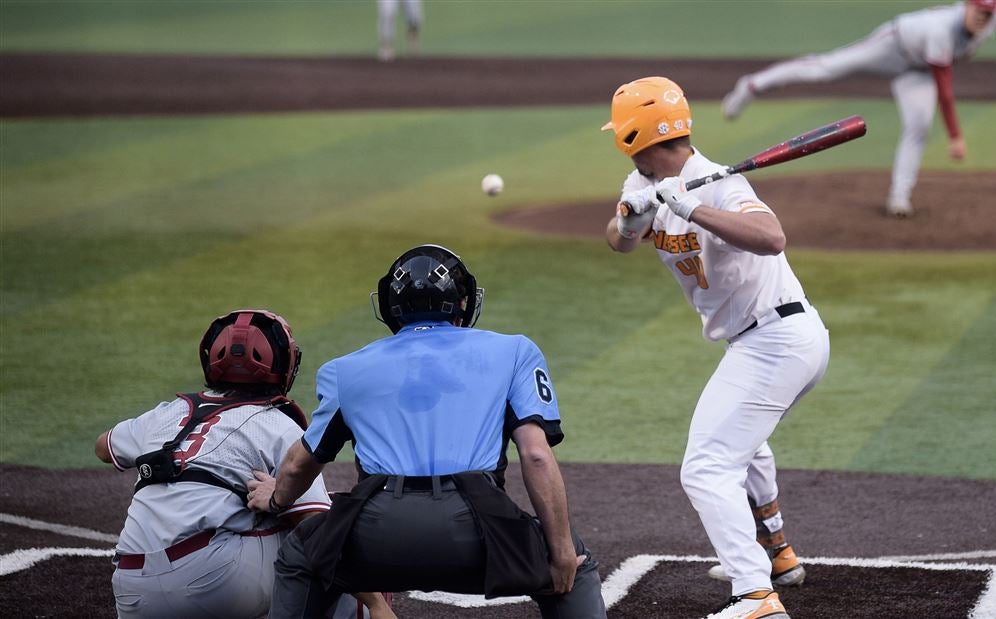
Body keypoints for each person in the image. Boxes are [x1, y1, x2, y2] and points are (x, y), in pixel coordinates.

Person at [252, 245, 607, 619]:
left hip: (376, 539)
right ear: (463, 303)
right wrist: (562, 552)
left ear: (390, 306)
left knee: (301, 556)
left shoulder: (345, 369)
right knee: (574, 564)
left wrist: (275, 499)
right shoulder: (515, 351)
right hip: (479, 536)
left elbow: (299, 465)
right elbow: (535, 455)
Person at [602, 76, 830, 619]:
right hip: (768, 343)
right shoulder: (645, 179)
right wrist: (628, 222)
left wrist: (689, 208)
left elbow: (773, 238)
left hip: (777, 341)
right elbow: (617, 241)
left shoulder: (719, 186)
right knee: (741, 442)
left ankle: (755, 598)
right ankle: (776, 553)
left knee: (705, 467)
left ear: (634, 133)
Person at [95, 309, 393, 618]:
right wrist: (375, 603)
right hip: (217, 584)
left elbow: (104, 446)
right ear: (284, 365)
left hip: (131, 588)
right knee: (334, 523)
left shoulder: (166, 413)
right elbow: (317, 528)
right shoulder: (276, 424)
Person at [721, 0, 996, 217]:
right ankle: (752, 84)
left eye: (988, 15)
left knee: (918, 126)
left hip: (915, 71)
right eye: (979, 11)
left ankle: (899, 196)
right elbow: (945, 88)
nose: (983, 18)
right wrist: (956, 136)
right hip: (893, 46)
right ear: (968, 5)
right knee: (827, 68)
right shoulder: (940, 32)